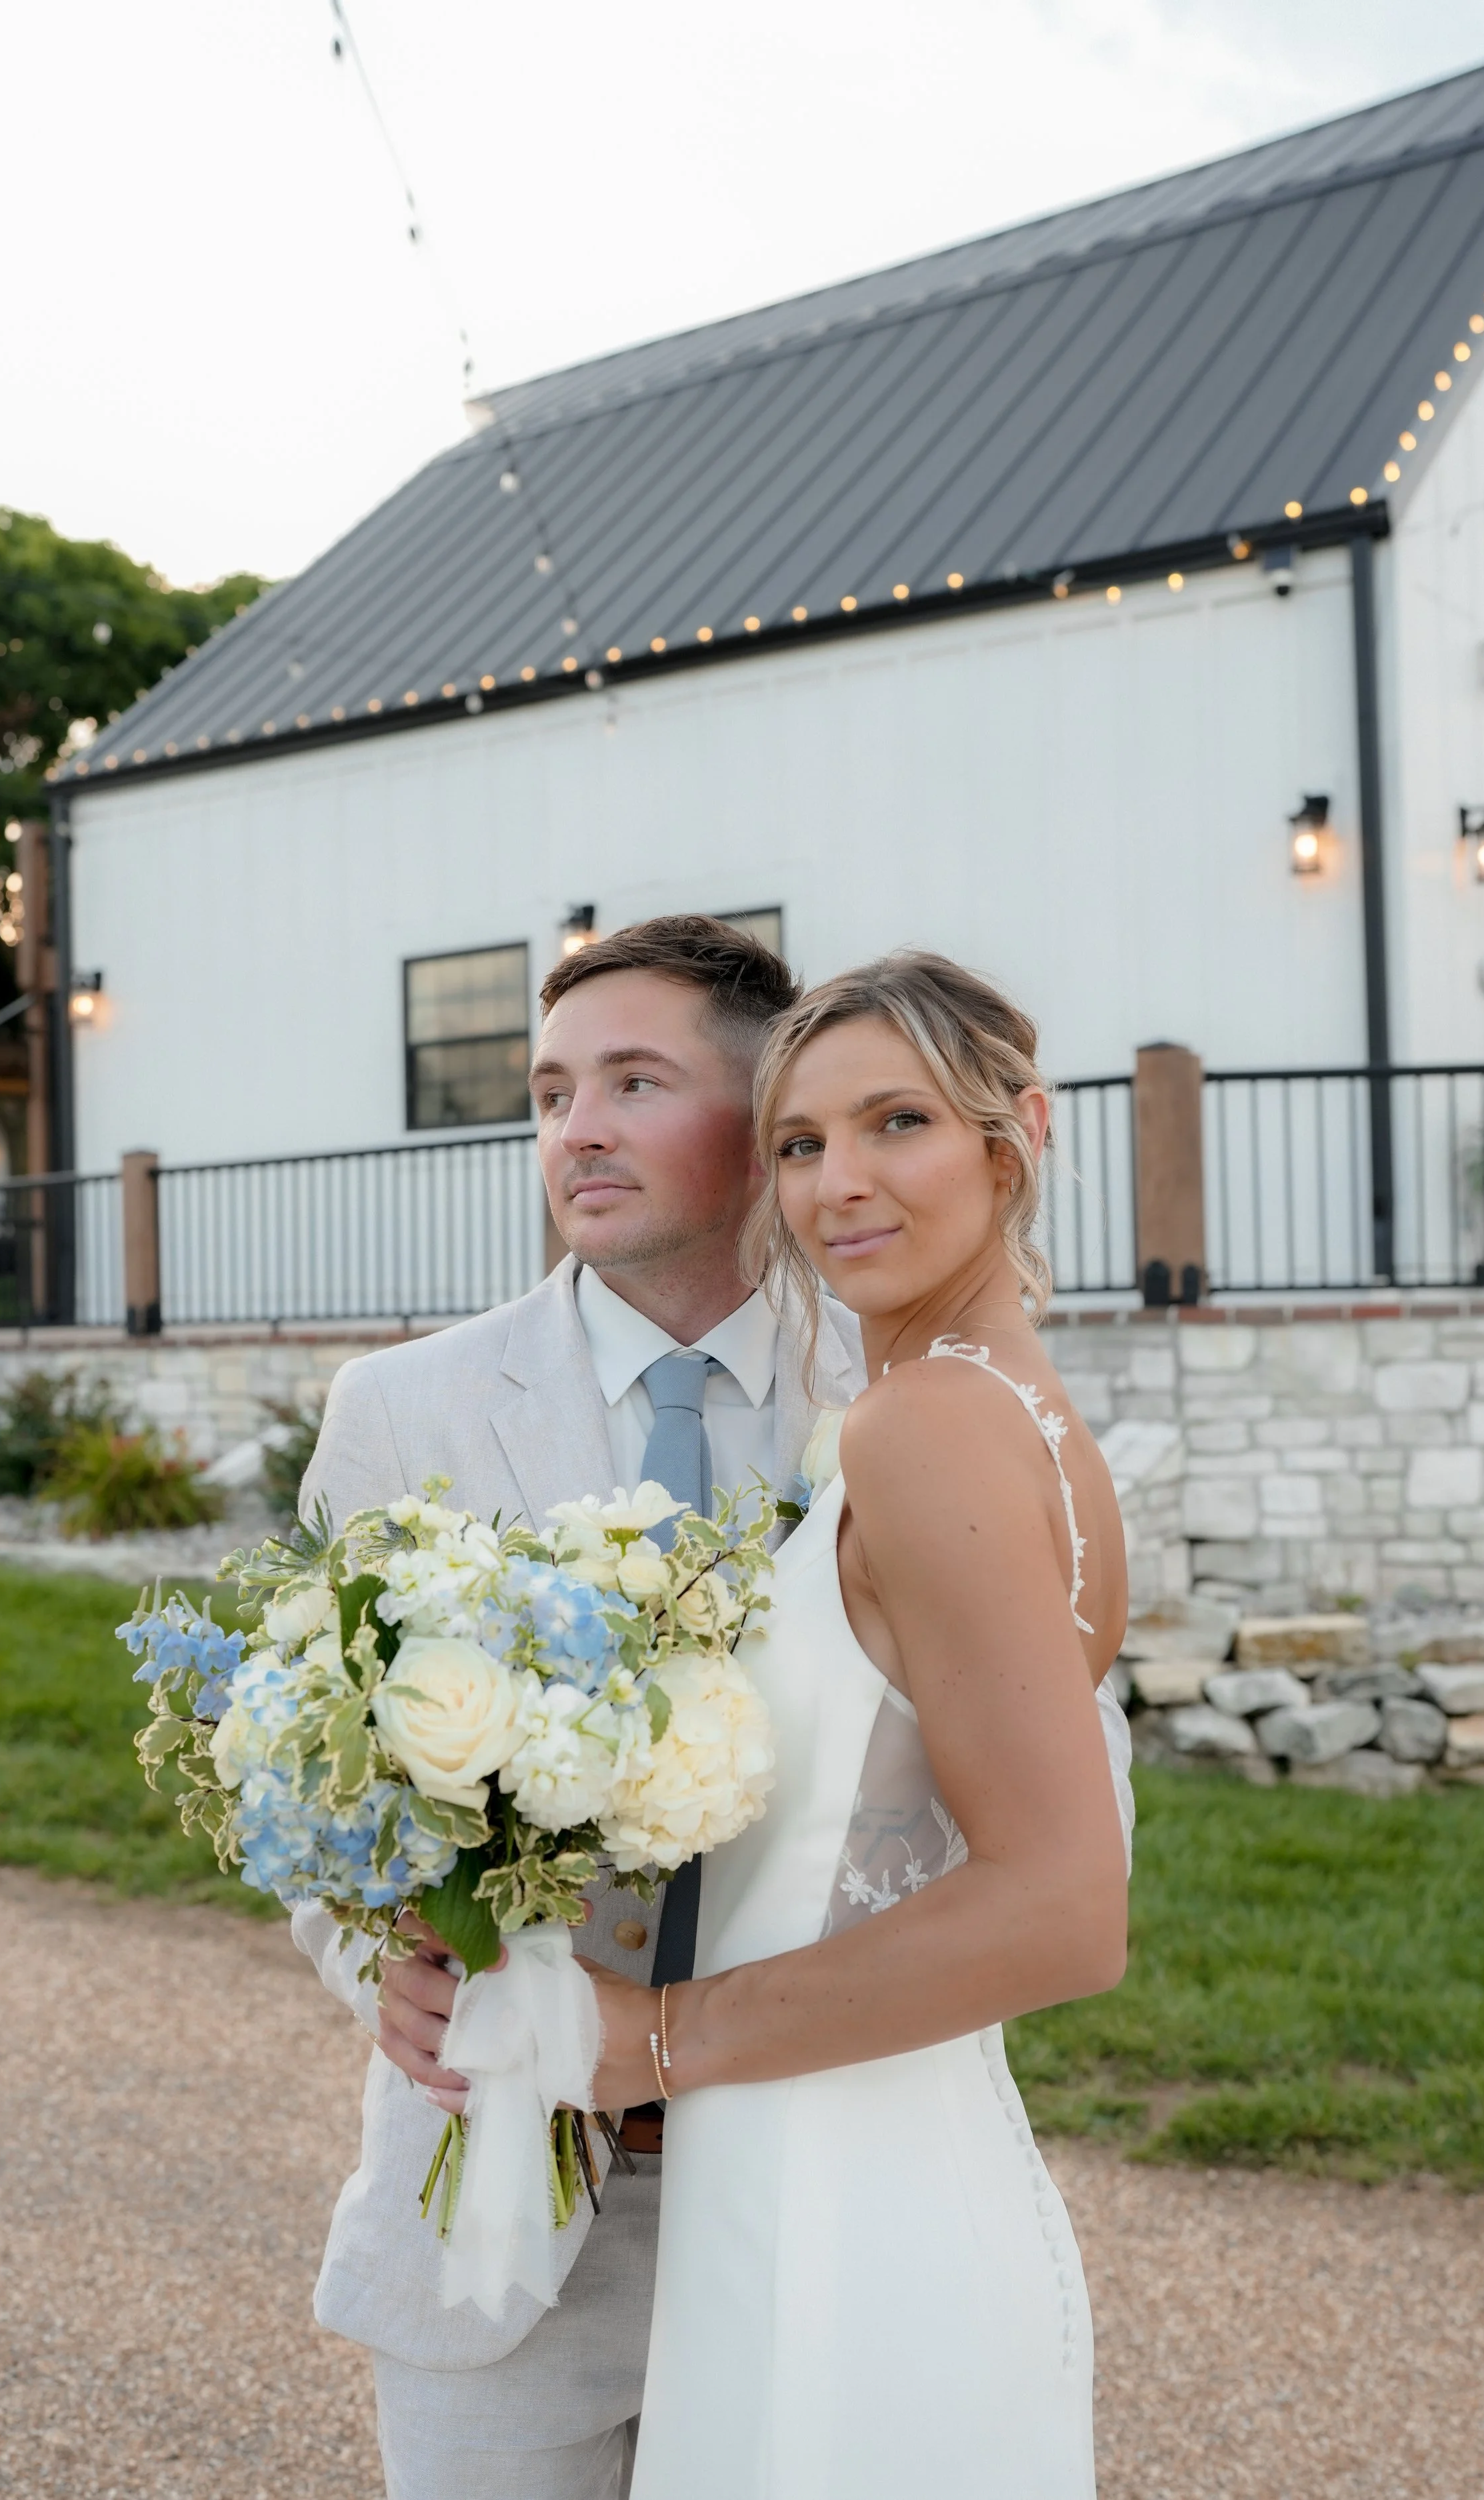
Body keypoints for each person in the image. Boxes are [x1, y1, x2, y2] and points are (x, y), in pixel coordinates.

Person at [293, 915, 867, 2500]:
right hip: (503, 2187)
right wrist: (377, 1970)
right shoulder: (403, 1410)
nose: (578, 1128)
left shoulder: (885, 1415)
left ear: (762, 1128)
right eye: (551, 1093)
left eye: (633, 1081)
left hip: (805, 2175)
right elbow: (315, 1784)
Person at [583, 952, 1134, 2500]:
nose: (839, 1184)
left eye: (897, 1122)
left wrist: (655, 2042)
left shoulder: (927, 1427)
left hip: (841, 2202)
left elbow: (1062, 1908)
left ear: (1013, 1135)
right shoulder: (1019, 1412)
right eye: (801, 1143)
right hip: (884, 2145)